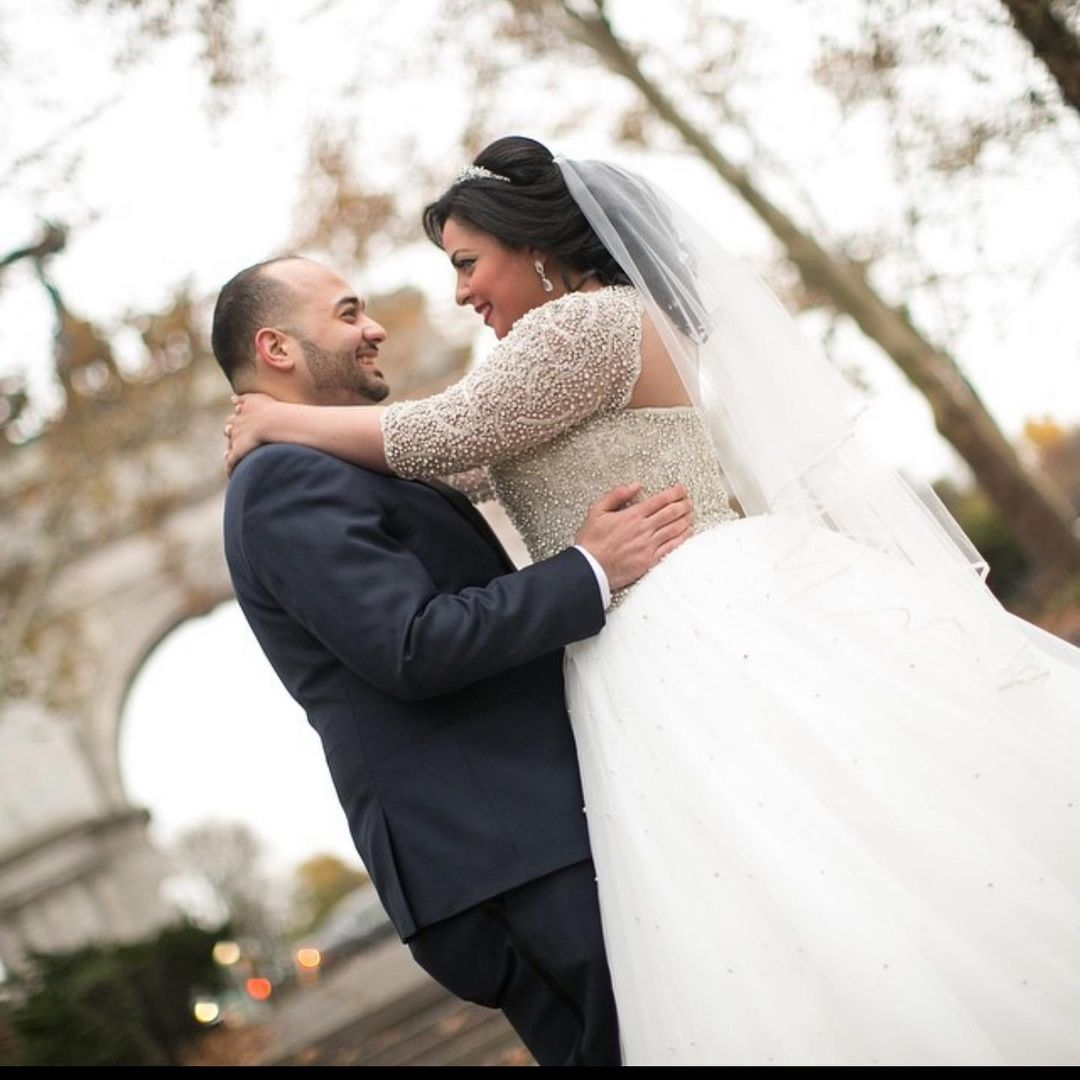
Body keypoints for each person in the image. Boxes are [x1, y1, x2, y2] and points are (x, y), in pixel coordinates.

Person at [223, 138, 1080, 1065]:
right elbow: (466, 459)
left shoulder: (579, 326)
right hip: (675, 621)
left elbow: (448, 433)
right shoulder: (588, 339)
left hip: (680, 622)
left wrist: (280, 419)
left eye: (469, 264)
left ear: (536, 247)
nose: (462, 294)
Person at [213, 253, 695, 1067]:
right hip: (505, 857)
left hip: (534, 837)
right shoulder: (280, 483)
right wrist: (587, 569)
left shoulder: (330, 460)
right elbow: (412, 645)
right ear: (278, 348)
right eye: (347, 312)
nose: (372, 331)